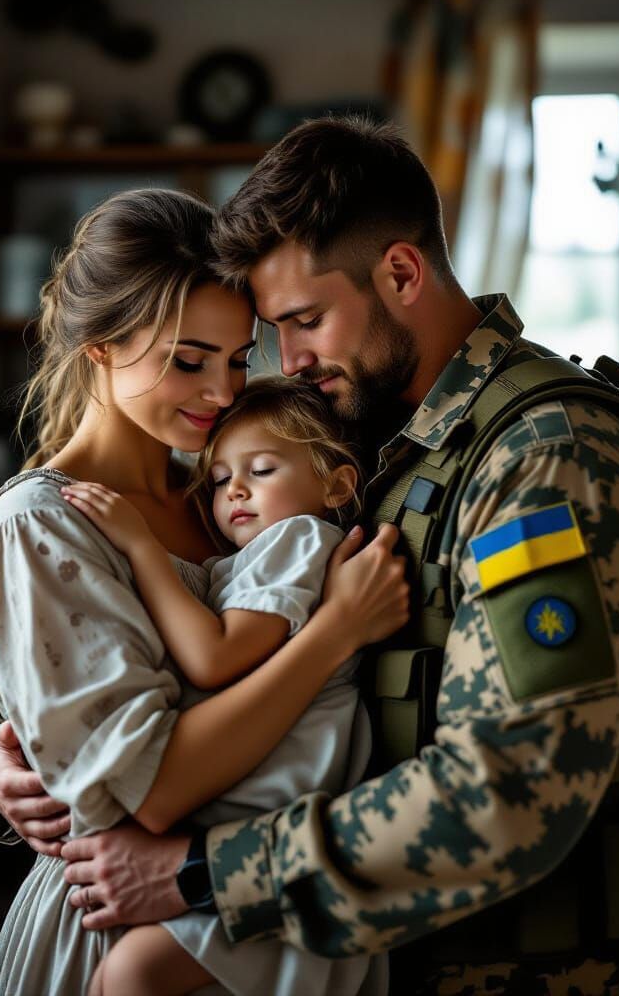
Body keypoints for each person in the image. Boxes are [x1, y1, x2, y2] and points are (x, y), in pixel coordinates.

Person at [0, 119, 619, 996]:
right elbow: (201, 669)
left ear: (400, 272)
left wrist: (207, 873)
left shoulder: (546, 461)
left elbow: (510, 791)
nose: (283, 366)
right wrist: (29, 772)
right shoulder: (370, 436)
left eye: (304, 321)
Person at [0, 187, 408, 995]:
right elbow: (153, 791)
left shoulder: (230, 494)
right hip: (121, 931)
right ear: (100, 346)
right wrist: (334, 634)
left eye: (237, 359)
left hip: (270, 904)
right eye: (187, 360)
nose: (222, 393)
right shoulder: (44, 527)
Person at [62, 377, 387, 996]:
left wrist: (139, 546)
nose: (234, 490)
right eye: (218, 481)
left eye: (261, 470)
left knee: (132, 976)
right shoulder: (251, 559)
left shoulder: (297, 540)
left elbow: (215, 660)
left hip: (266, 825)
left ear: (336, 484)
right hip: (247, 818)